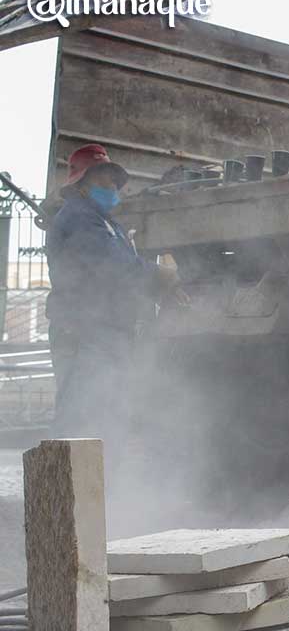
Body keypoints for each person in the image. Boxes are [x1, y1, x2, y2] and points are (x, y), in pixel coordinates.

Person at [46, 144, 186, 441]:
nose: (113, 188)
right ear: (82, 184)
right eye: (104, 181)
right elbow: (116, 266)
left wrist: (159, 290)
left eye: (114, 182)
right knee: (78, 421)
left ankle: (100, 486)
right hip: (84, 335)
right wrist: (162, 277)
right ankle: (64, 487)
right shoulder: (79, 218)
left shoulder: (106, 223)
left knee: (105, 421)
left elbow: (124, 274)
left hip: (104, 334)